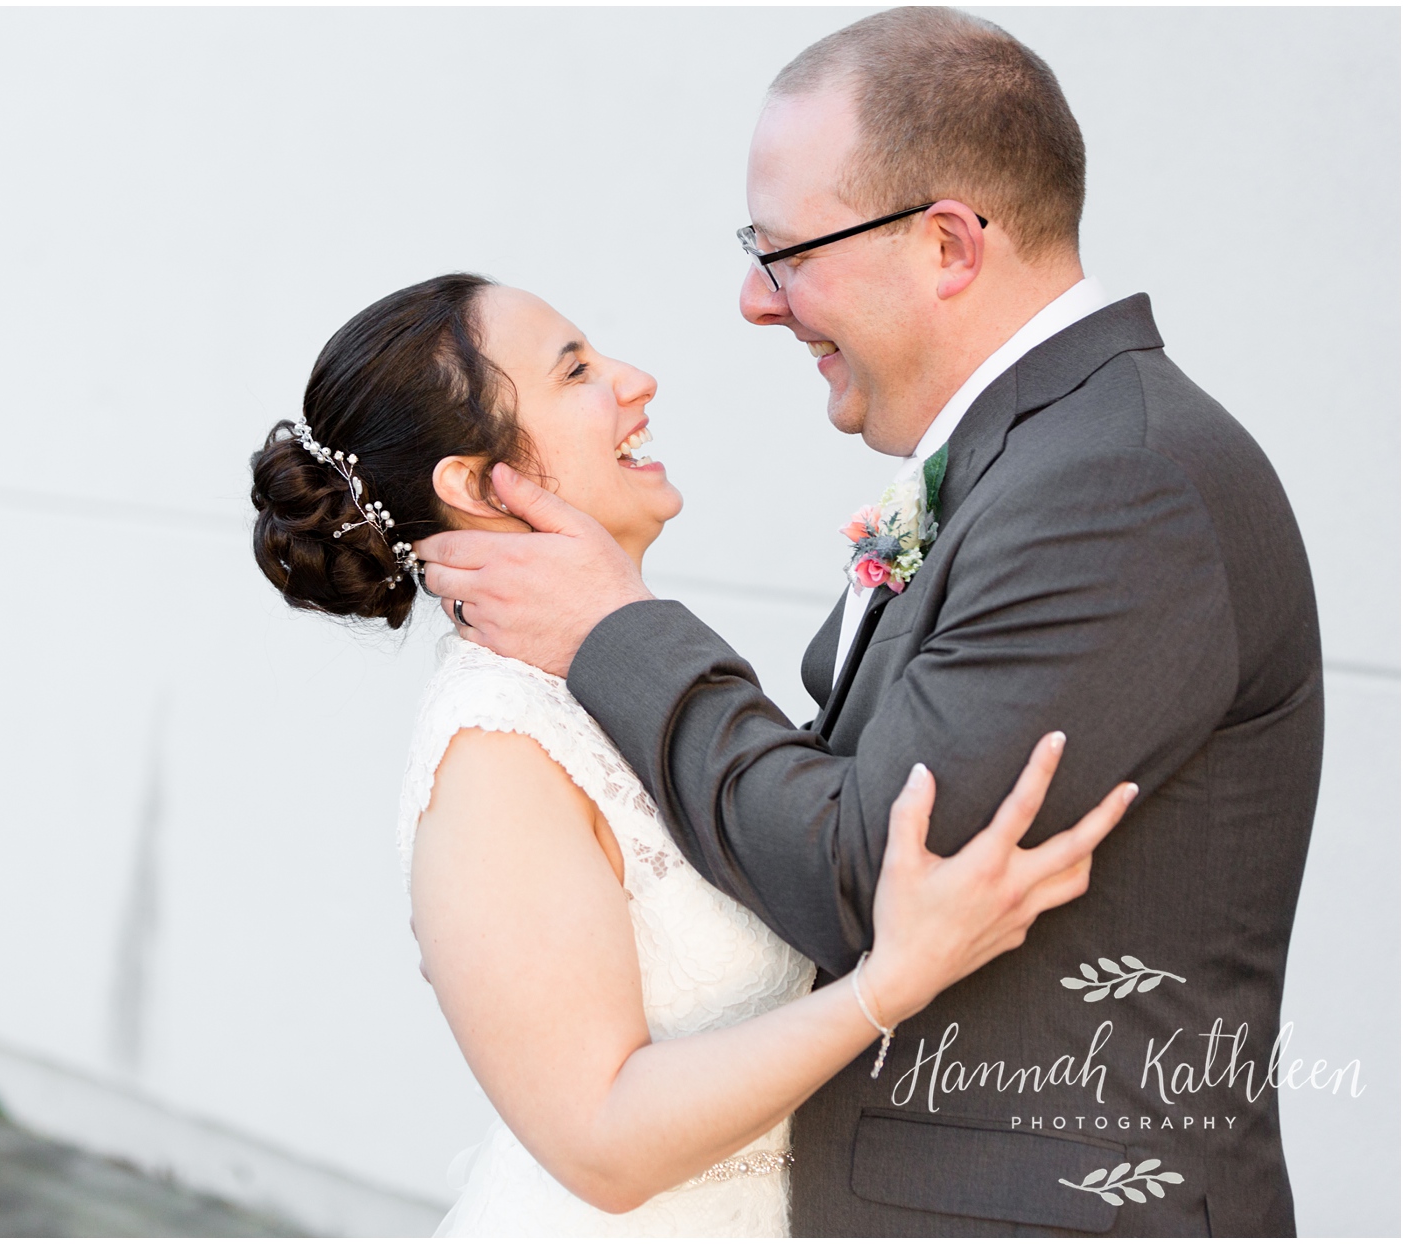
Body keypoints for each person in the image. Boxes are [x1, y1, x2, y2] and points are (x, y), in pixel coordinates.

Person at [414, 9, 1321, 1237]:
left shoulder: (1120, 485)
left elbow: (864, 870)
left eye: (783, 252)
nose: (753, 300)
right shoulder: (1043, 460)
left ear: (947, 244)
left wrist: (617, 629)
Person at [250, 272, 1135, 1235]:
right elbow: (601, 1141)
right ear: (472, 484)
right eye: (576, 369)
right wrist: (890, 985)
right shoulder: (495, 745)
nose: (637, 381)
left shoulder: (611, 677)